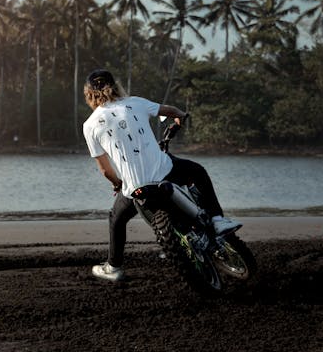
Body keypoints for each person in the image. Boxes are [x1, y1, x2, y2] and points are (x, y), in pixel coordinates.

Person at [83, 69, 241, 282]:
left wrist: (118, 184)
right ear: (116, 86)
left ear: (89, 95)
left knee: (116, 219)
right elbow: (174, 111)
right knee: (197, 172)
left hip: (135, 188)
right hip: (166, 172)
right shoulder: (136, 103)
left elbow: (105, 170)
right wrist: (179, 120)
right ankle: (217, 219)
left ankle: (114, 266)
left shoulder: (90, 125)